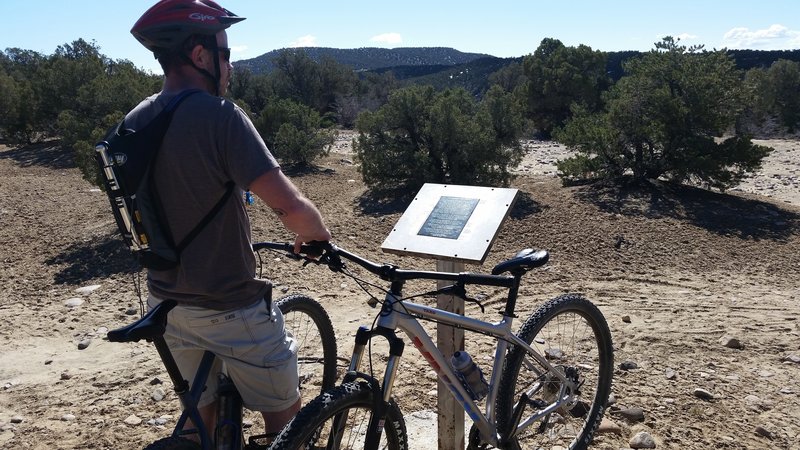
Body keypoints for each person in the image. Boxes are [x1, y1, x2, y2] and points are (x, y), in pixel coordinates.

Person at [125, 0, 331, 442]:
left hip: (167, 304)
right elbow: (290, 209)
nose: (230, 65)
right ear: (200, 56)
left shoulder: (136, 119)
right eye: (226, 52)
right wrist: (318, 235)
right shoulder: (221, 117)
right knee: (287, 421)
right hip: (230, 305)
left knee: (202, 425)